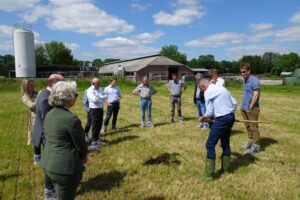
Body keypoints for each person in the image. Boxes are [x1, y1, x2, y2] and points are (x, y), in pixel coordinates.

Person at [41, 81, 87, 200]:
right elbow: (81, 145)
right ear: (67, 98)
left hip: (47, 163)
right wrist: (84, 157)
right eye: (75, 95)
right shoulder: (71, 119)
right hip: (65, 170)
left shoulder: (50, 114)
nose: (76, 97)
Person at [32, 73, 64, 199]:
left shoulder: (47, 93)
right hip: (48, 137)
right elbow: (47, 122)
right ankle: (49, 191)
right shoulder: (46, 97)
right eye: (62, 83)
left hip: (49, 135)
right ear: (52, 83)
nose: (64, 85)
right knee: (50, 163)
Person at [198, 79, 237, 180]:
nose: (202, 92)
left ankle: (208, 174)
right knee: (225, 143)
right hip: (231, 116)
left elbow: (210, 112)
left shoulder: (208, 92)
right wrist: (227, 113)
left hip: (221, 120)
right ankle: (226, 169)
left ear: (203, 87)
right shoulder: (222, 88)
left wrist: (203, 117)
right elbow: (234, 103)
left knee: (210, 144)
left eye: (201, 90)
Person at [240, 63, 261, 154]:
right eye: (241, 72)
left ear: (249, 71)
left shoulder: (254, 80)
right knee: (247, 126)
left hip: (252, 108)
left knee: (254, 127)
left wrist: (250, 107)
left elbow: (256, 95)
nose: (242, 74)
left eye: (244, 72)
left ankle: (256, 147)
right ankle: (250, 142)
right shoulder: (245, 80)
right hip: (244, 107)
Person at [86, 78, 108, 152]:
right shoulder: (89, 90)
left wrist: (99, 97)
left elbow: (106, 96)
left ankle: (97, 139)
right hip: (94, 110)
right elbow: (94, 100)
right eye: (97, 84)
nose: (99, 85)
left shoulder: (100, 89)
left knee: (99, 124)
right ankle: (93, 142)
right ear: (93, 83)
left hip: (100, 109)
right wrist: (101, 97)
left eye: (99, 83)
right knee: (95, 125)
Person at [21, 79, 38, 145]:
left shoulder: (37, 93)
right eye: (31, 85)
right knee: (36, 139)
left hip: (43, 117)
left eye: (33, 84)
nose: (33, 86)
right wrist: (40, 97)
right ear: (26, 86)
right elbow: (32, 106)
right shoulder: (24, 97)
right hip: (35, 119)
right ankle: (37, 155)